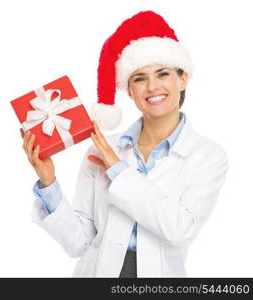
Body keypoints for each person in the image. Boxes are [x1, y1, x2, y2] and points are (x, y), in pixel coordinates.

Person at [20, 11, 229, 277]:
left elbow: (179, 229)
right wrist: (48, 182)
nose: (152, 87)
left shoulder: (208, 156)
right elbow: (79, 242)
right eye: (139, 78)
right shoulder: (103, 148)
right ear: (129, 90)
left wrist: (117, 169)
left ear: (182, 79)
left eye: (163, 74)